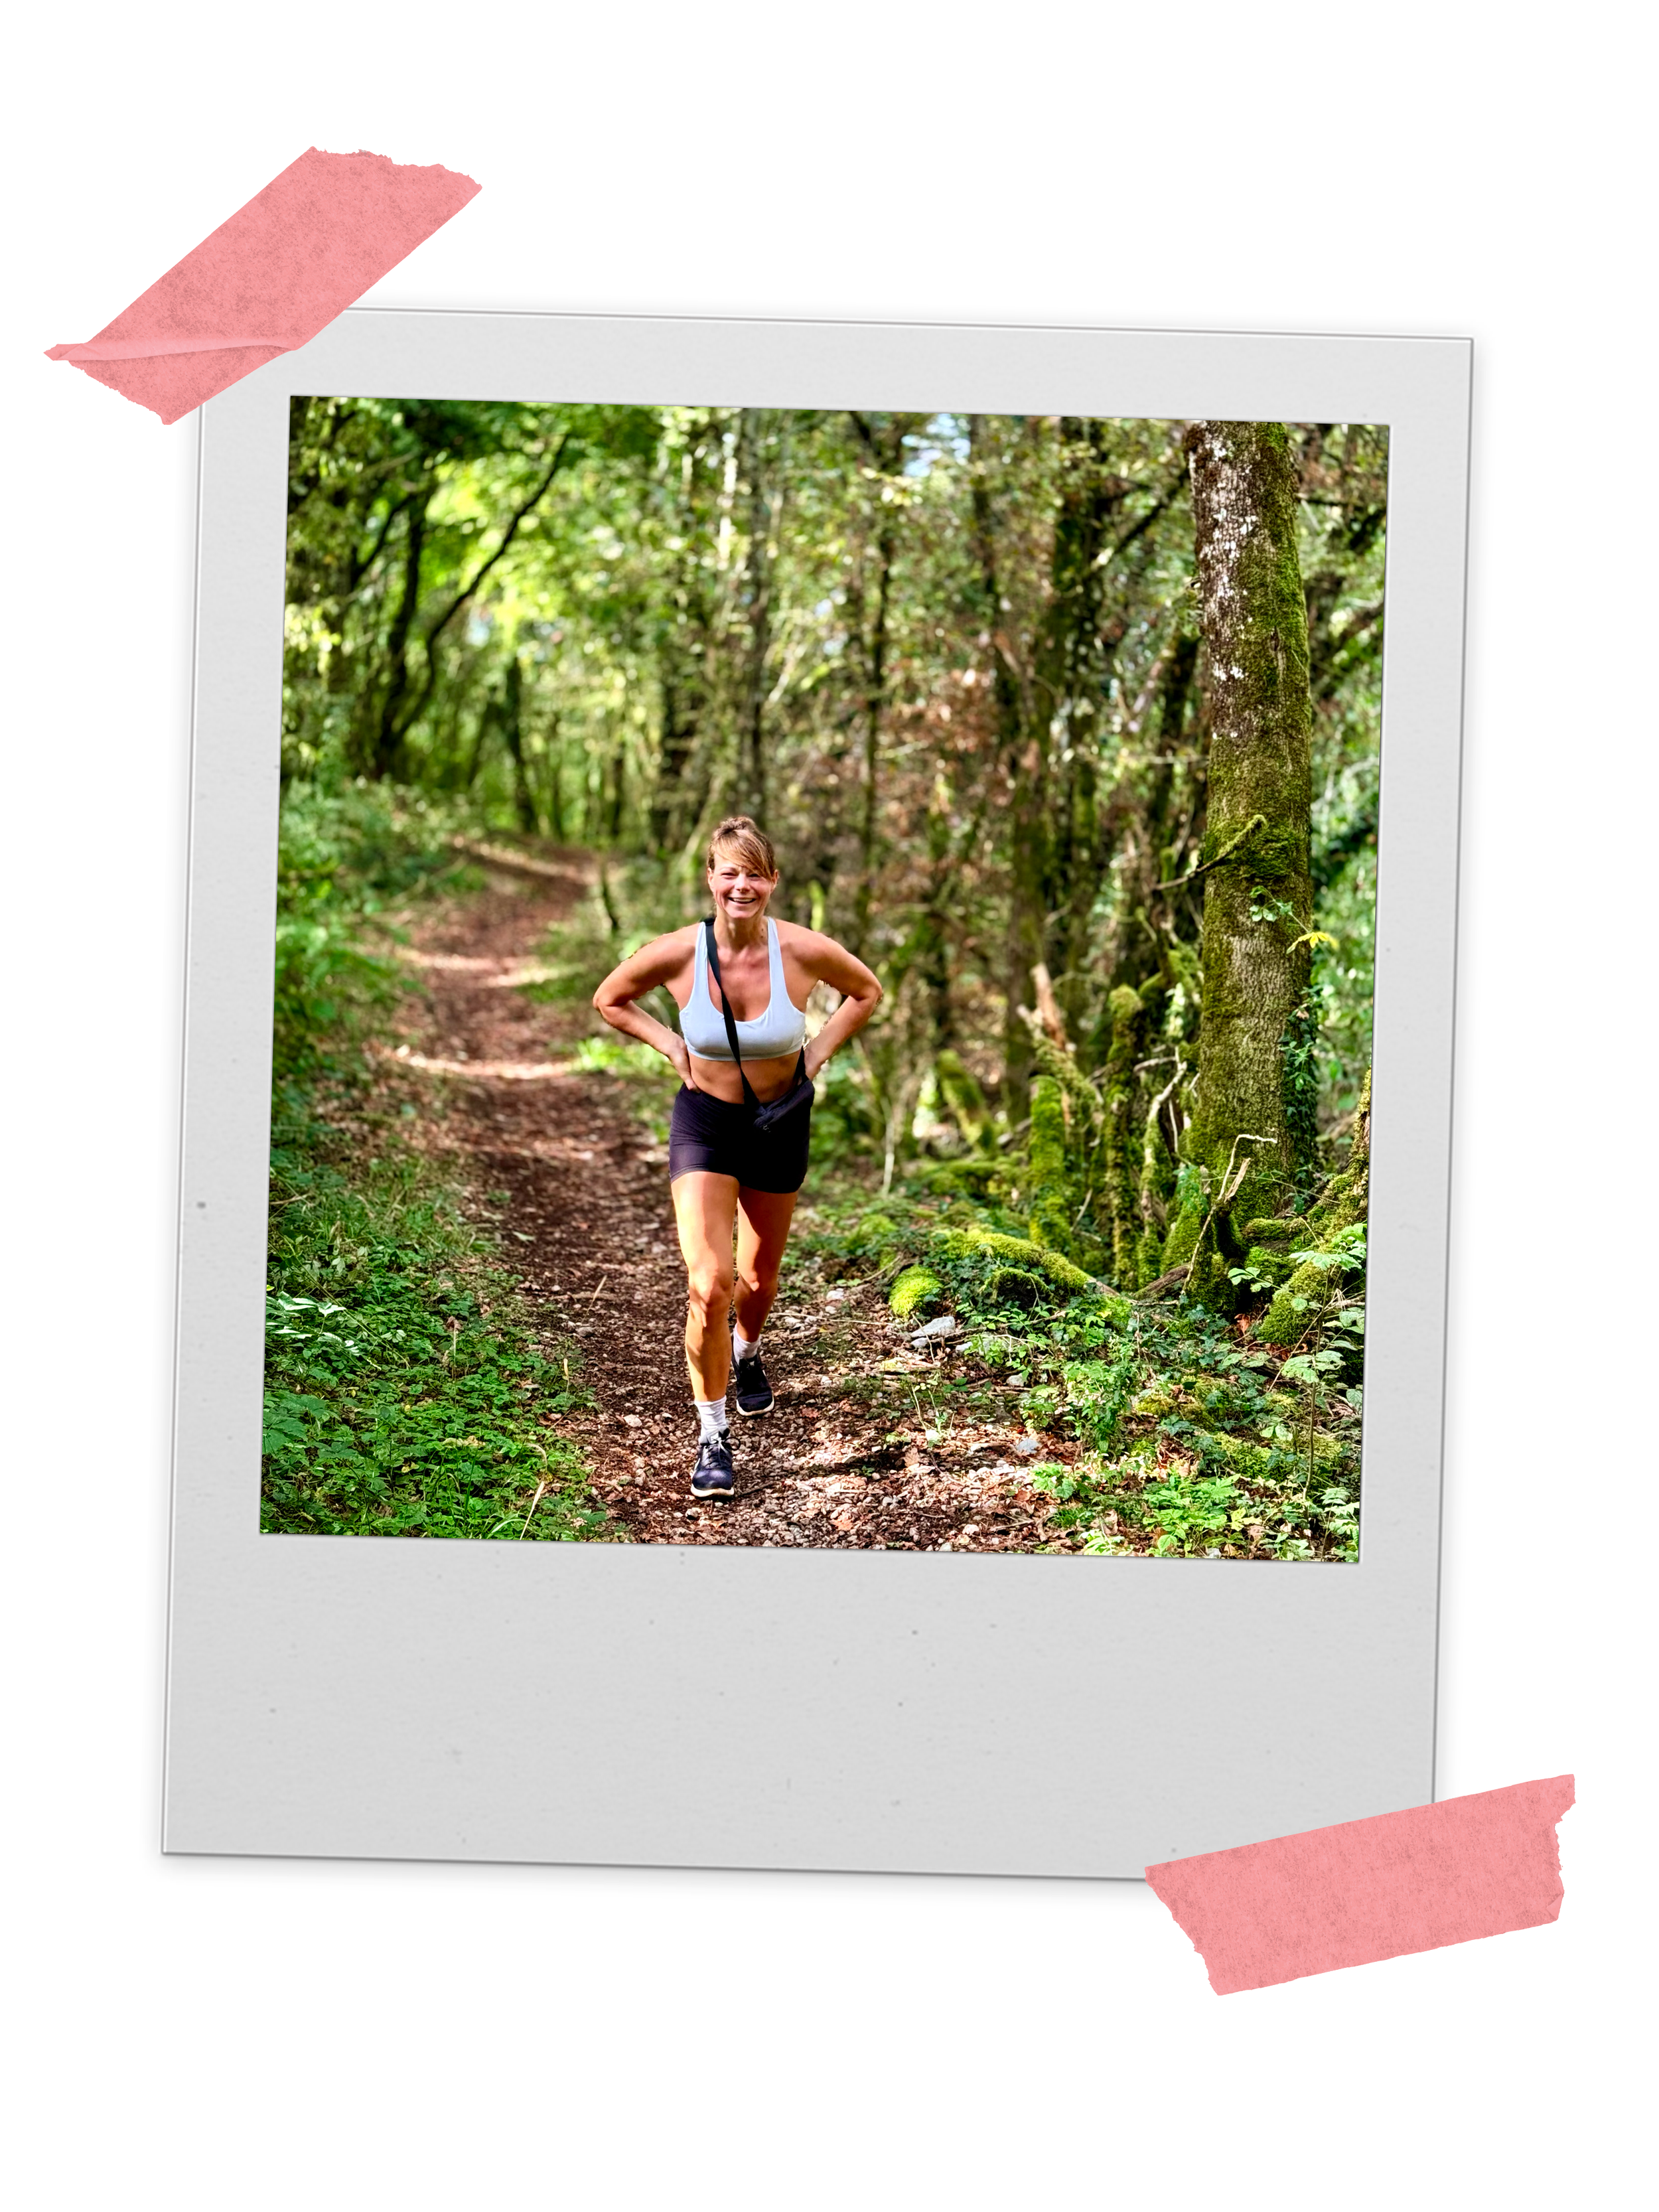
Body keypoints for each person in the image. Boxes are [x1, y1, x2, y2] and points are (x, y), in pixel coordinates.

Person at [592, 818, 882, 1500]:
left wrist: (818, 1050)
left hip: (781, 1123)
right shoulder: (678, 953)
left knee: (757, 1279)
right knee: (708, 1283)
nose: (741, 885)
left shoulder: (803, 952)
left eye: (754, 873)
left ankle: (748, 1352)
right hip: (707, 1124)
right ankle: (712, 1435)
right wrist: (668, 1044)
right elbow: (610, 1000)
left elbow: (866, 992)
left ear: (772, 882)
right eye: (729, 872)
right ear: (711, 879)